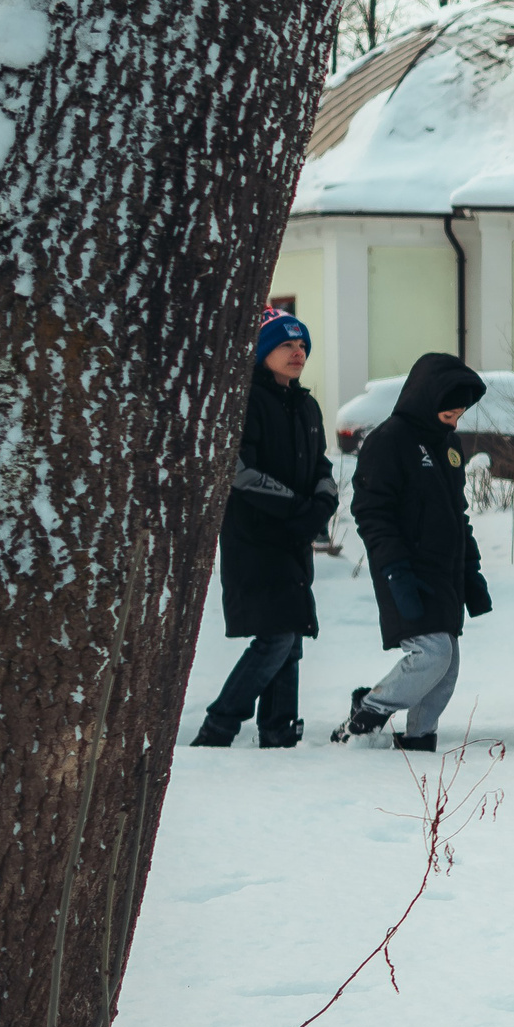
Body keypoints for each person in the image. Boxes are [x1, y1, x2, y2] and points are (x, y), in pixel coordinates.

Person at [193, 308, 336, 748]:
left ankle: (279, 731)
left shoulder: (307, 405)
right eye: (285, 345)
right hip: (255, 540)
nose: (297, 353)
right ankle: (219, 727)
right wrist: (299, 507)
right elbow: (239, 472)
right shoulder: (245, 402)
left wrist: (324, 501)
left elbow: (322, 465)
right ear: (261, 352)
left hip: (293, 541)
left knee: (290, 636)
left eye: (302, 346)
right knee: (276, 637)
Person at [334, 353, 491, 751]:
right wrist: (394, 571)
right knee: (431, 654)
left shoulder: (449, 446)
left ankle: (419, 740)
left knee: (447, 664)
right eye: (449, 407)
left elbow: (458, 514)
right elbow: (372, 512)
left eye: (461, 410)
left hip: (445, 571)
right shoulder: (389, 440)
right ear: (427, 395)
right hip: (404, 569)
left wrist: (471, 572)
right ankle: (365, 716)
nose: (455, 415)